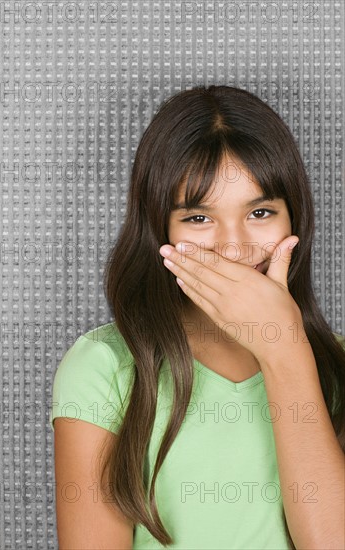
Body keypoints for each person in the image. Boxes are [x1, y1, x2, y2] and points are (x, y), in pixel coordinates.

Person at [50, 85, 345, 550]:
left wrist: (285, 351)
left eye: (261, 212)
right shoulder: (104, 367)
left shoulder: (339, 365)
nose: (232, 248)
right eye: (198, 219)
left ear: (295, 222)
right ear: (160, 230)